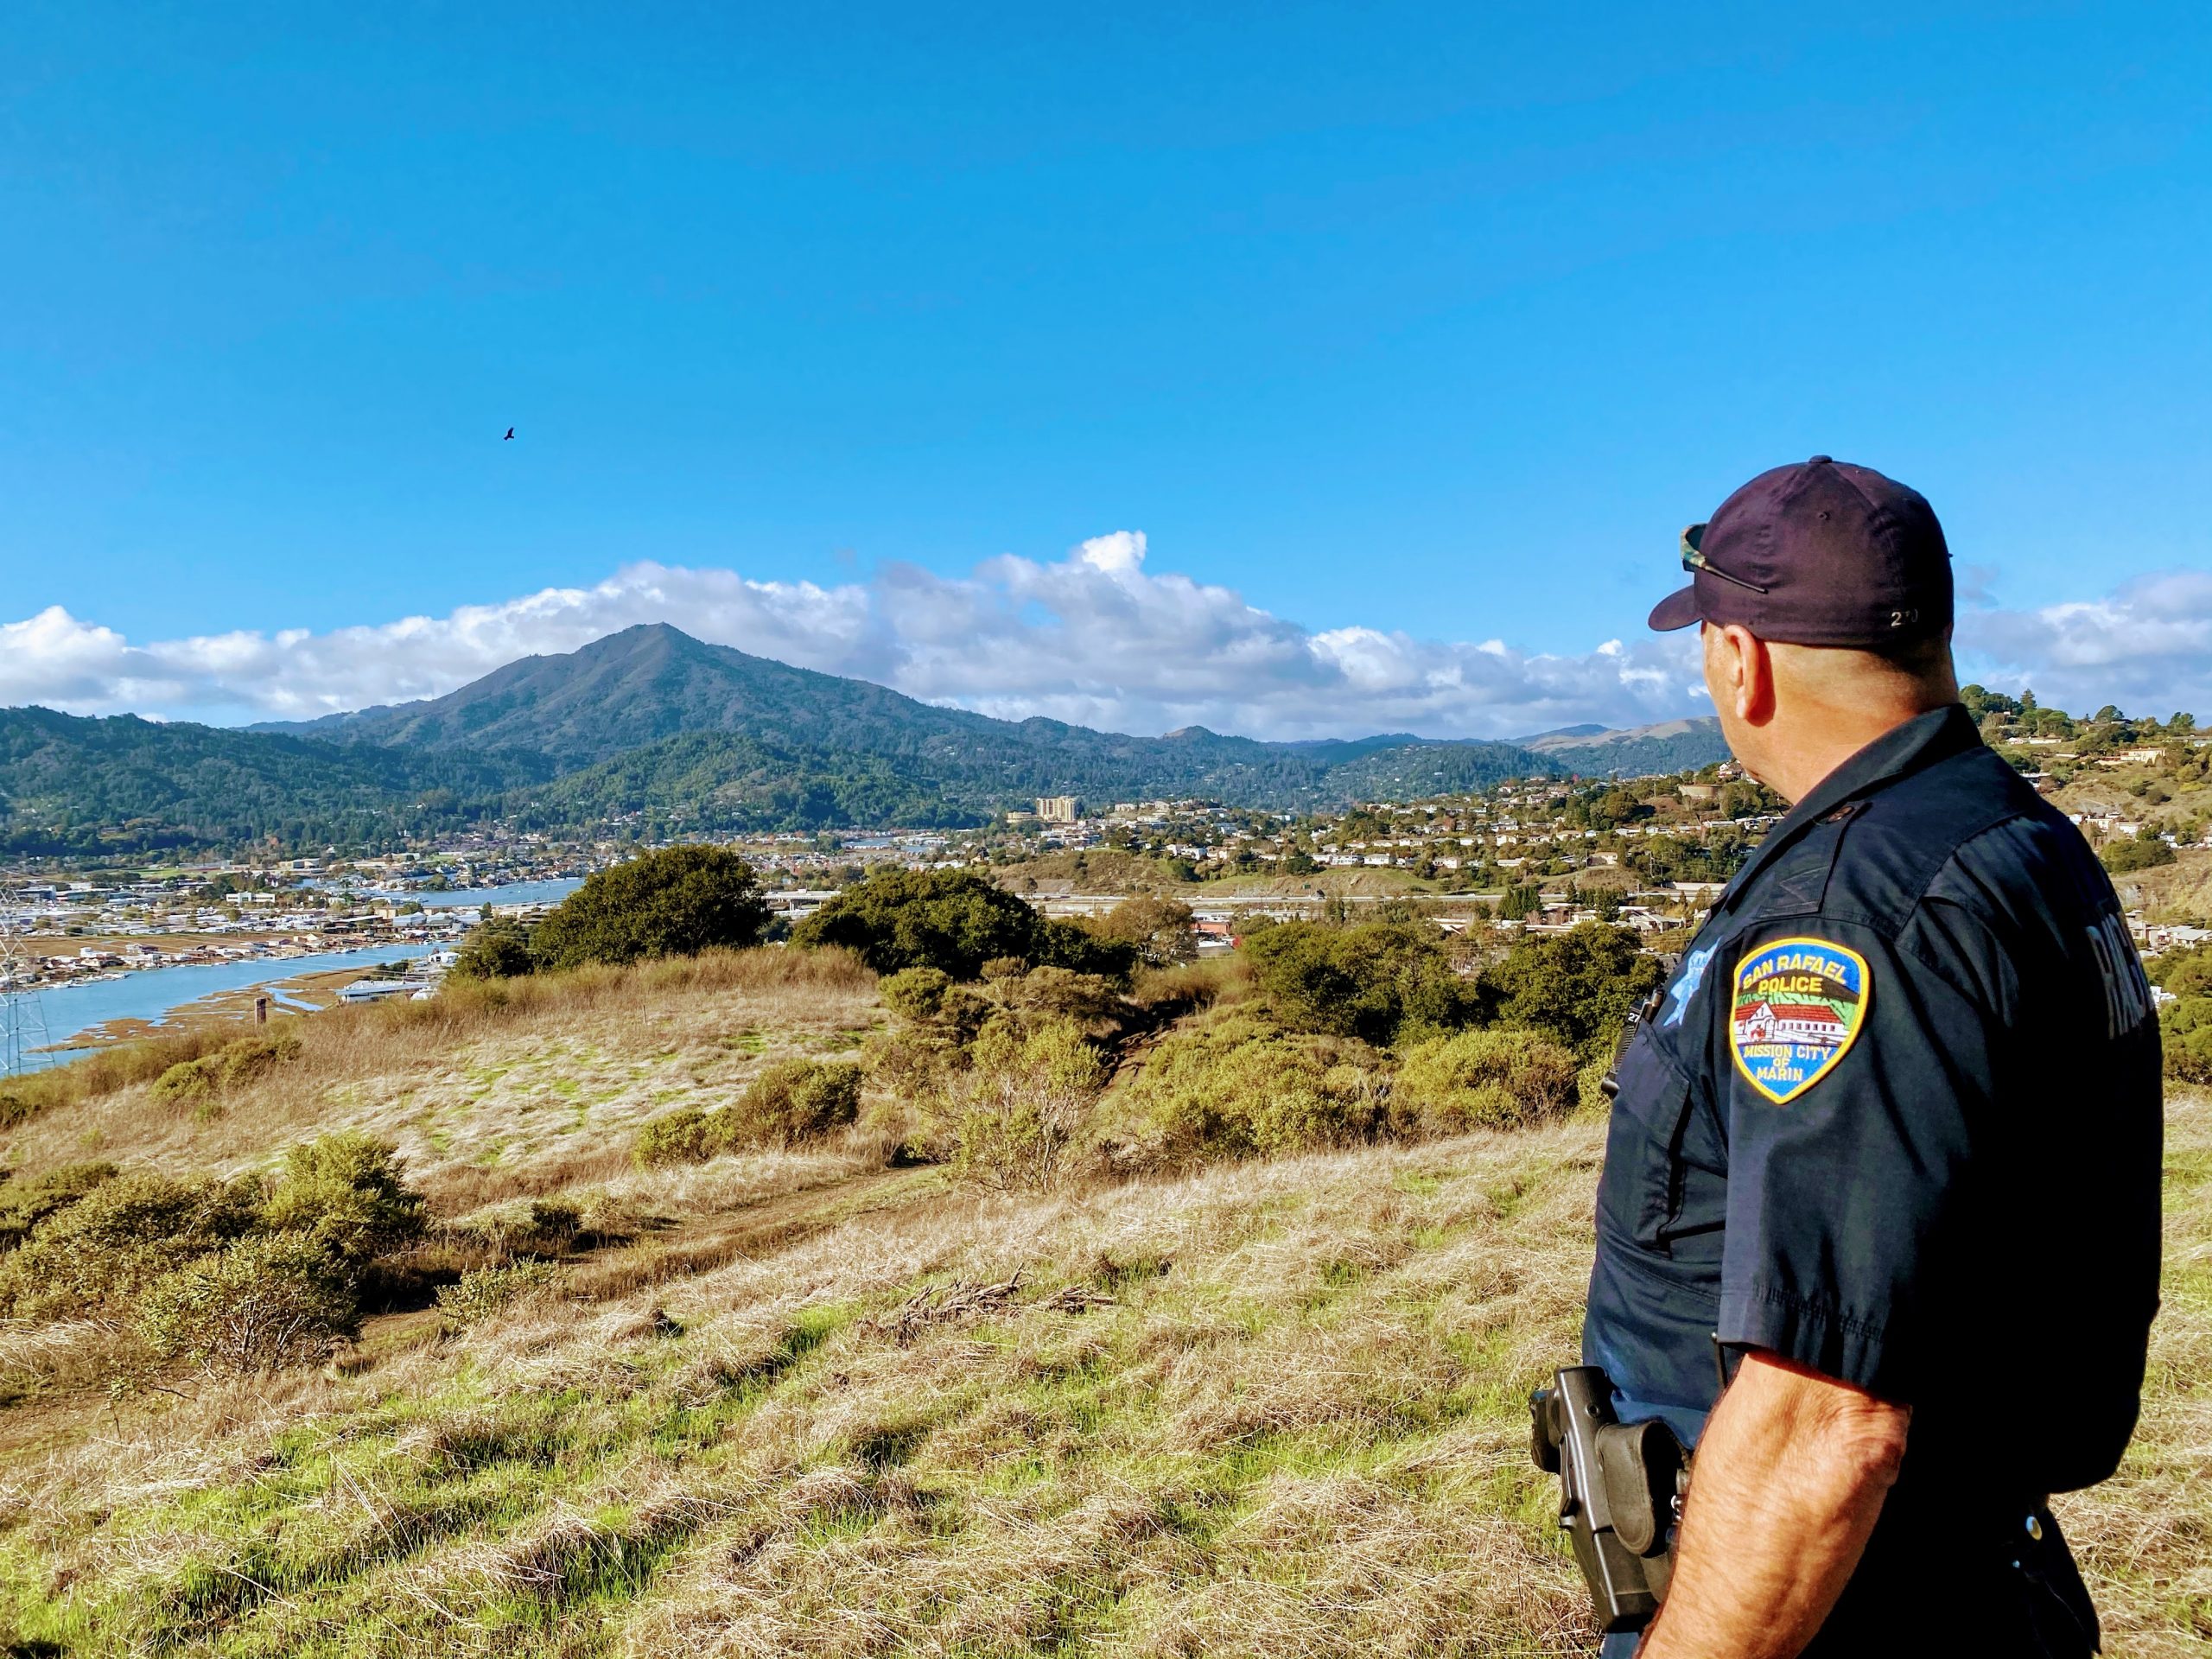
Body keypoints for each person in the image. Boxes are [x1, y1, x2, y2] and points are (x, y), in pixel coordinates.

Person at [1580, 457, 2163, 1656]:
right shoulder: (2014, 835)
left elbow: (1827, 1415)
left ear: (1741, 662)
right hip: (1962, 1571)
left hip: (1847, 1609)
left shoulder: (1848, 923)